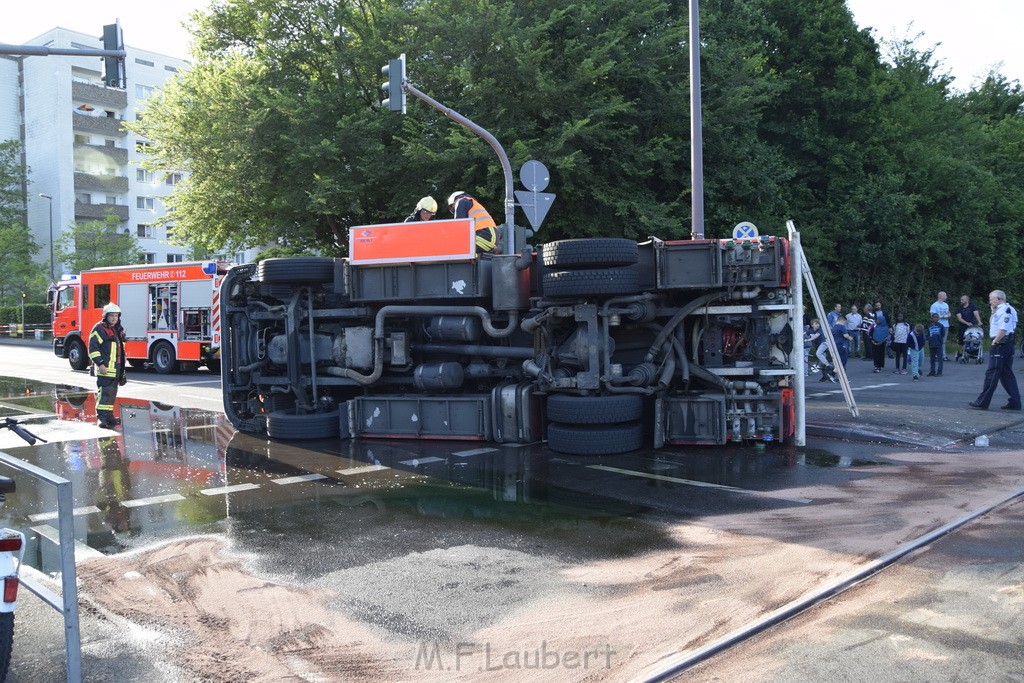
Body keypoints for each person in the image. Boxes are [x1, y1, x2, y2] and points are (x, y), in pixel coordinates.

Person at [969, 290, 1020, 410]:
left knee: (992, 373)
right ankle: (1015, 402)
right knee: (1006, 374)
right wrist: (992, 311)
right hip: (1006, 344)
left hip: (1000, 344)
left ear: (999, 299)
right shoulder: (1007, 309)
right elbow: (994, 324)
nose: (990, 301)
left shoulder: (1004, 310)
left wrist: (995, 341)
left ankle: (982, 401)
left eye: (991, 299)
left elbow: (1003, 329)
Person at [89, 302, 128, 428]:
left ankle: (109, 416)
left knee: (111, 394)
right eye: (111, 316)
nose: (114, 318)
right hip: (105, 368)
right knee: (104, 393)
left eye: (116, 316)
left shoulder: (118, 330)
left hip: (115, 368)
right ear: (106, 316)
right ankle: (101, 418)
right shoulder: (99, 329)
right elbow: (93, 348)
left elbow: (121, 349)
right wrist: (100, 364)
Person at [954, 294, 982, 361]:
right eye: (961, 300)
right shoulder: (959, 308)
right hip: (963, 327)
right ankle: (961, 353)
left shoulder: (972, 306)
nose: (961, 301)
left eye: (962, 300)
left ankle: (969, 352)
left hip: (972, 327)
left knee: (973, 340)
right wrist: (967, 323)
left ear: (967, 300)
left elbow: (976, 314)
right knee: (963, 342)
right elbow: (959, 318)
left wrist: (979, 322)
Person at [929, 291, 951, 361]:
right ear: (941, 296)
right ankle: (936, 355)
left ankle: (943, 355)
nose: (946, 297)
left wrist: (942, 316)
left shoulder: (946, 305)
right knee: (937, 340)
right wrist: (944, 316)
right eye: (945, 295)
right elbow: (932, 316)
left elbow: (949, 314)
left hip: (946, 325)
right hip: (937, 325)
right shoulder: (934, 305)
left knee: (943, 341)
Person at [869, 301, 889, 372]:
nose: (877, 320)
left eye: (878, 320)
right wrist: (872, 340)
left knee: (881, 353)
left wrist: (881, 342)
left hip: (881, 342)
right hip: (874, 341)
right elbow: (870, 333)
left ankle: (879, 366)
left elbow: (886, 336)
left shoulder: (885, 328)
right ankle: (876, 366)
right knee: (875, 353)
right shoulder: (873, 325)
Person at [926, 313, 944, 377]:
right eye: (934, 317)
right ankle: (932, 371)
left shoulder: (941, 326)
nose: (936, 319)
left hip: (938, 344)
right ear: (932, 318)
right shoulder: (929, 326)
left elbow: (942, 334)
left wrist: (940, 341)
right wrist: (929, 340)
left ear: (939, 318)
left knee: (940, 358)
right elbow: (928, 334)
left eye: (937, 317)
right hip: (931, 344)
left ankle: (939, 372)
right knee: (932, 358)